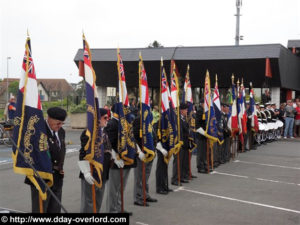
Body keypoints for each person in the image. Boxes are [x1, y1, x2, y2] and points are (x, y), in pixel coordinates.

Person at [25, 107, 67, 213]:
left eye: (62, 123)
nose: (60, 126)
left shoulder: (61, 131)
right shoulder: (38, 131)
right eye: (58, 123)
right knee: (40, 210)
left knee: (55, 209)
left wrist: (60, 167)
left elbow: (60, 150)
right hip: (41, 177)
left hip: (57, 177)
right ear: (49, 118)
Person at [78, 108, 112, 213]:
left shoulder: (104, 131)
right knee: (88, 202)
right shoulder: (88, 133)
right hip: (91, 172)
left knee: (98, 200)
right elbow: (83, 154)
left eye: (108, 117)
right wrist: (86, 172)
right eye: (105, 117)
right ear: (97, 119)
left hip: (103, 172)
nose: (107, 120)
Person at [132, 112, 157, 206]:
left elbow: (152, 133)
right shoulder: (139, 120)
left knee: (146, 176)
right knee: (139, 177)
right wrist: (139, 152)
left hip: (150, 152)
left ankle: (145, 194)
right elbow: (134, 137)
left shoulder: (149, 118)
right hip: (142, 153)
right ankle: (138, 197)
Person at [171, 103, 189, 186]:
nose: (187, 111)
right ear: (181, 110)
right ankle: (175, 178)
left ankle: (180, 177)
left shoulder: (183, 119)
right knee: (177, 161)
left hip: (184, 143)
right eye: (185, 110)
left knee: (182, 161)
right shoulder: (178, 119)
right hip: (178, 143)